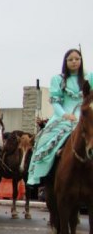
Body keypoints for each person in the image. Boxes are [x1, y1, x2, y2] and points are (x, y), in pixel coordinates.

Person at [27, 48, 93, 186]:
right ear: (66, 62)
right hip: (63, 116)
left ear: (81, 61)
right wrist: (65, 115)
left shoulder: (89, 77)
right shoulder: (58, 79)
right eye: (71, 59)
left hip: (85, 114)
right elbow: (55, 102)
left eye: (77, 59)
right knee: (43, 139)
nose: (74, 62)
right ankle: (40, 175)